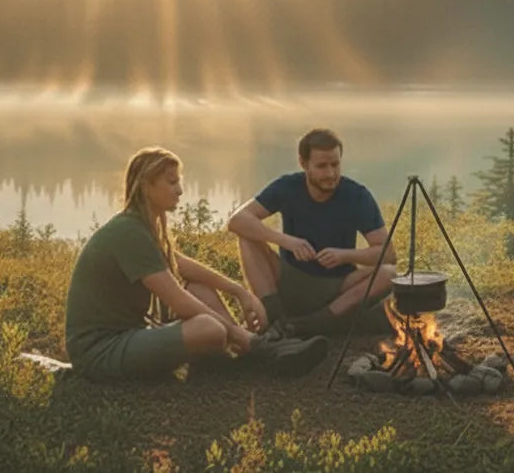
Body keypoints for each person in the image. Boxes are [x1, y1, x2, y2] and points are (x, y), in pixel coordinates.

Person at [64, 146, 331, 381]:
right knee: (209, 328)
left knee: (200, 290)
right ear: (147, 186)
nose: (180, 190)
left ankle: (244, 356)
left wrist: (238, 290)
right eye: (171, 182)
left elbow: (178, 264)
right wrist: (241, 335)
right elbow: (177, 300)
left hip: (126, 335)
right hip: (100, 352)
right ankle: (255, 349)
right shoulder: (129, 232)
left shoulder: (141, 227)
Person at [226, 128, 396, 338]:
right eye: (322, 166)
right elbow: (237, 221)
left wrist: (345, 255)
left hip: (338, 286)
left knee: (388, 273)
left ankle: (315, 324)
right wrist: (286, 241)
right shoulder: (288, 187)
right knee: (247, 236)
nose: (331, 174)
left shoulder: (356, 196)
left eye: (335, 165)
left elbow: (388, 253)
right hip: (289, 279)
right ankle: (274, 318)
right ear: (304, 163)